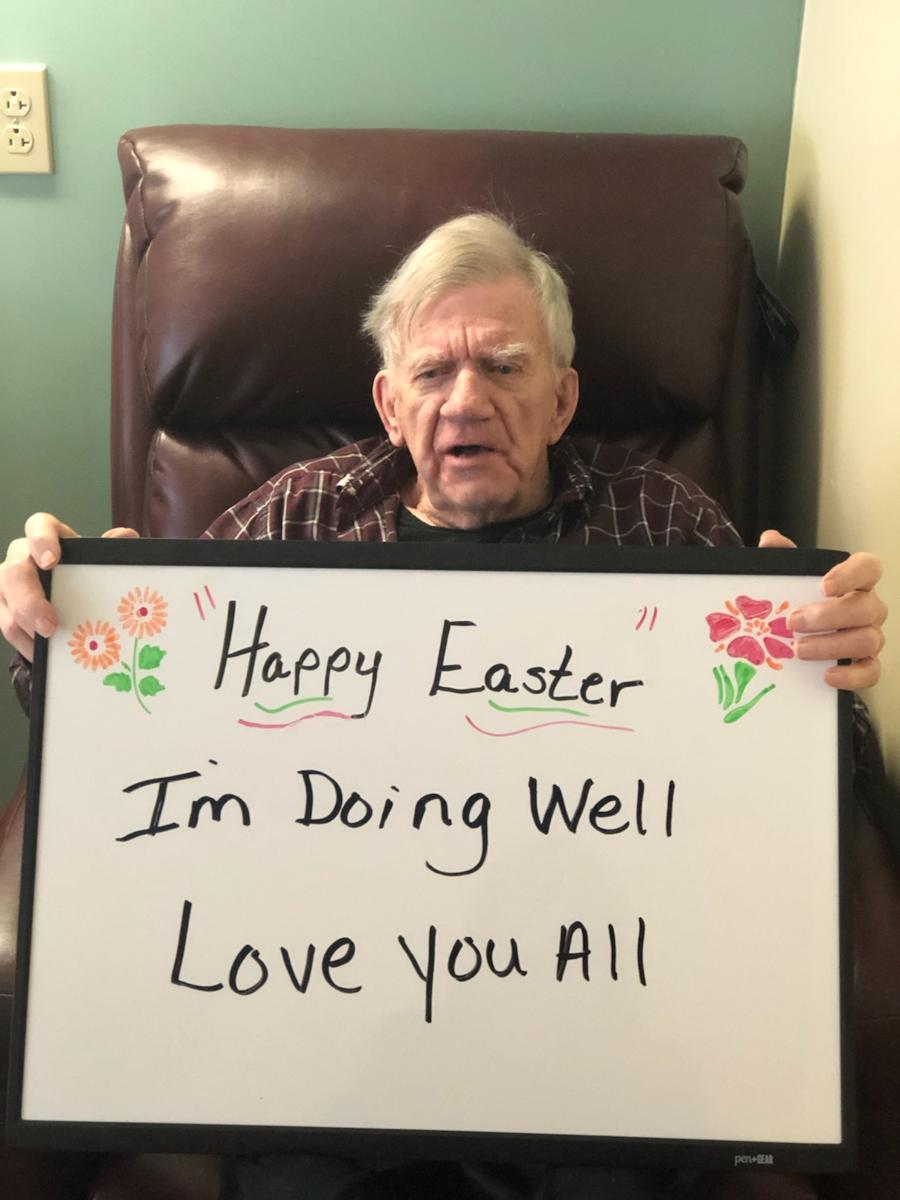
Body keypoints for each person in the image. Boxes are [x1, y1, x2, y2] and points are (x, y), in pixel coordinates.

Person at [0, 213, 888, 1198]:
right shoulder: (299, 518)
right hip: (322, 1016)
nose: (467, 401)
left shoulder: (663, 524)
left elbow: (798, 788)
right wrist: (62, 624)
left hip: (591, 1024)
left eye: (505, 367)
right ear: (390, 404)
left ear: (562, 399)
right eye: (432, 373)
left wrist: (822, 672)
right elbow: (140, 732)